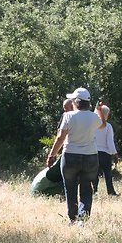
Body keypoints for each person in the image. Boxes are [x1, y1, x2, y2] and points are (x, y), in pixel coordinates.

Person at [45, 87, 106, 225]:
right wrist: (100, 110)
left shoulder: (69, 116)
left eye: (73, 100)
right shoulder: (94, 117)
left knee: (70, 188)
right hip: (90, 157)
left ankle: (72, 219)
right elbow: (103, 125)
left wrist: (51, 155)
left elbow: (60, 138)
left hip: (70, 156)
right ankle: (82, 220)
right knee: (86, 188)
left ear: (76, 102)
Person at [30, 98, 74, 196]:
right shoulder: (65, 116)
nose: (66, 111)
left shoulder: (78, 117)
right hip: (66, 150)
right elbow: (60, 135)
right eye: (64, 109)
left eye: (68, 108)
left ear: (74, 106)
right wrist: (53, 153)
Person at [92, 104, 119, 196]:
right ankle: (111, 192)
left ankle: (94, 191)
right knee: (107, 174)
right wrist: (115, 154)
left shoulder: (92, 125)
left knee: (94, 174)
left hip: (93, 152)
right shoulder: (108, 126)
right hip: (105, 154)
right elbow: (110, 142)